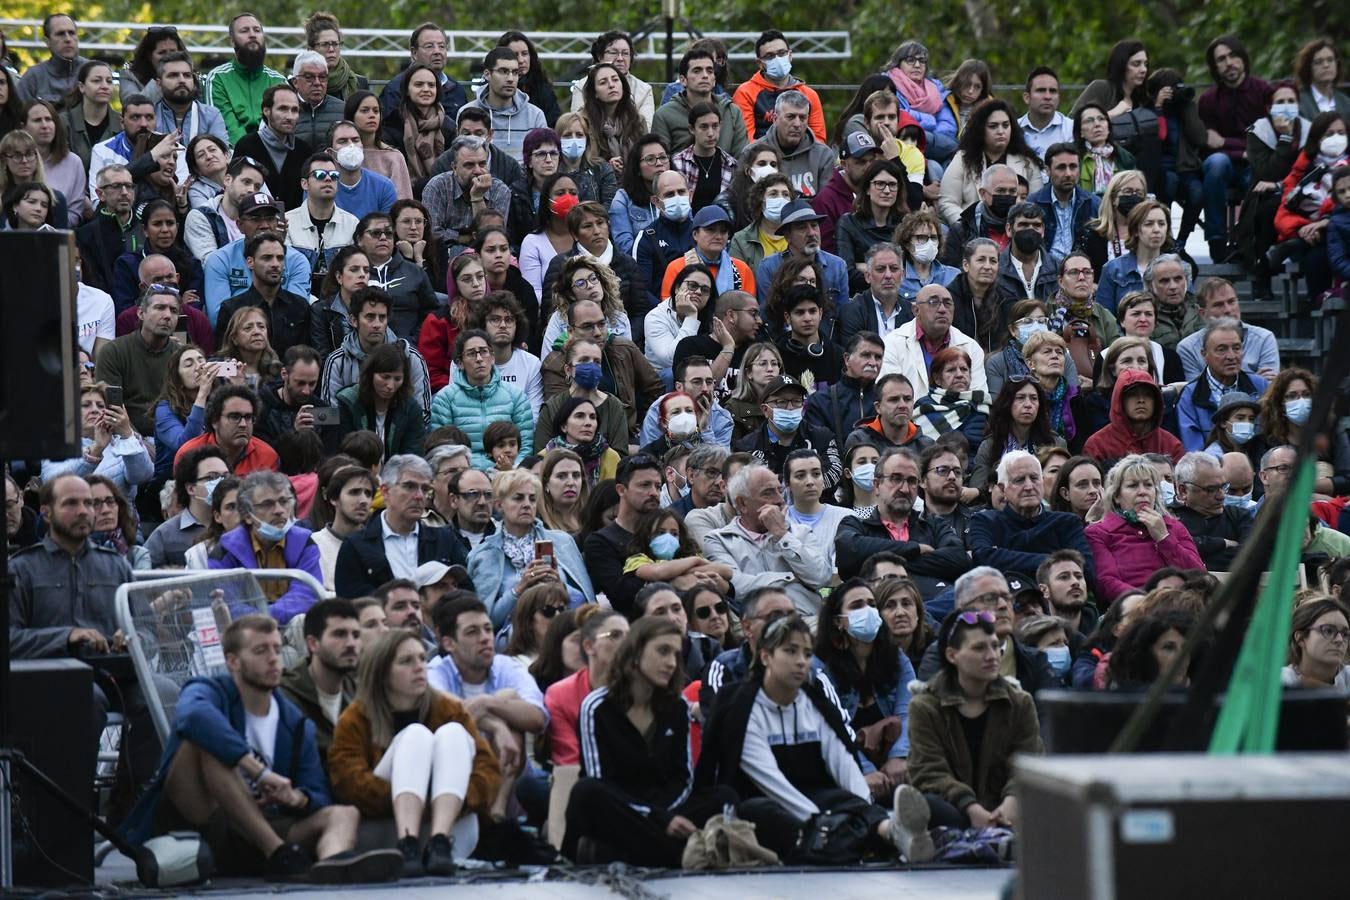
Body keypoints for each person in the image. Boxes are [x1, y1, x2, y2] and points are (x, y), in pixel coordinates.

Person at [695, 613, 915, 862]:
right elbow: (771, 781)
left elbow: (843, 764)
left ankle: (889, 830)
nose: (801, 662)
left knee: (845, 799)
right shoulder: (743, 705)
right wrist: (823, 822)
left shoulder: (815, 703)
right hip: (767, 800)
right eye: (790, 651)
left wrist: (864, 808)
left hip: (817, 797)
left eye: (807, 654)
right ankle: (868, 840)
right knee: (761, 813)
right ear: (766, 656)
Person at [325, 625, 502, 876]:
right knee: (416, 736)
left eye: (421, 658)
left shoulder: (449, 709)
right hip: (382, 830)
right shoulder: (356, 717)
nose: (419, 666)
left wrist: (444, 801)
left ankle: (439, 843)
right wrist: (415, 801)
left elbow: (488, 772)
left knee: (452, 733)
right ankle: (406, 842)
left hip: (449, 829)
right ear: (382, 672)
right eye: (406, 661)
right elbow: (349, 784)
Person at [565, 617, 737, 865]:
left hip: (665, 808)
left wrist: (664, 815)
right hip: (621, 809)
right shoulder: (597, 706)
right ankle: (677, 853)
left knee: (724, 796)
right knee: (587, 792)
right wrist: (660, 819)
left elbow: (682, 779)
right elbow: (601, 779)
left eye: (676, 655)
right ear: (635, 653)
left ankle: (642, 852)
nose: (670, 663)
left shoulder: (677, 706)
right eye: (663, 651)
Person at [425, 596, 554, 861]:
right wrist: (496, 722)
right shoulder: (435, 671)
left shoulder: (507, 666)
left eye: (487, 629)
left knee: (513, 715)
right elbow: (443, 714)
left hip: (509, 784)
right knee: (500, 711)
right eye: (472, 632)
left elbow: (537, 718)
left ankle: (495, 818)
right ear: (448, 643)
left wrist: (487, 702)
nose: (485, 638)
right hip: (453, 775)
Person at [905, 606, 1043, 832]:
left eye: (995, 646)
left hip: (1007, 808)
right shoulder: (925, 706)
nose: (991, 655)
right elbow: (928, 771)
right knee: (927, 806)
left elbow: (1029, 763)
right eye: (979, 648)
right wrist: (970, 807)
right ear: (952, 655)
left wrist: (1011, 802)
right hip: (955, 810)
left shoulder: (1019, 702)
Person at [835, 445, 970, 597]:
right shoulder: (856, 526)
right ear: (877, 485)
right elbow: (848, 553)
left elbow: (959, 559)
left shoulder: (933, 524)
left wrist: (883, 567)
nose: (905, 489)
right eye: (896, 478)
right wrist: (915, 549)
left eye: (912, 481)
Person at [466, 469, 595, 628]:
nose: (527, 504)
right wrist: (518, 589)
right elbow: (485, 622)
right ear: (499, 505)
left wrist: (560, 586)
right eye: (518, 498)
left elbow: (585, 607)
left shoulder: (562, 542)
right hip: (510, 644)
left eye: (532, 499)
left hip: (560, 634)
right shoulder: (483, 555)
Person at [703, 463, 833, 615]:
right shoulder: (719, 540)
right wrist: (791, 578)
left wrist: (782, 535)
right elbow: (736, 586)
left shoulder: (800, 533)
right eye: (768, 493)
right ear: (742, 503)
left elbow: (821, 578)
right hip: (757, 625)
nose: (780, 500)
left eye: (780, 491)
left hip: (806, 621)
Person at [333, 454, 471, 597]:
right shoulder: (356, 546)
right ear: (385, 491)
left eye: (425, 489)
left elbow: (467, 595)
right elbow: (351, 604)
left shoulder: (445, 540)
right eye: (410, 486)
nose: (419, 496)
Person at [1085, 455, 1205, 601]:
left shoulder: (1173, 526)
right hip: (1133, 609)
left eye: (1148, 485)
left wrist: (1164, 538)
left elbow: (1199, 576)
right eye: (1133, 486)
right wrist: (1148, 601)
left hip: (1182, 606)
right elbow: (1106, 583)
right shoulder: (1098, 532)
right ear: (1116, 496)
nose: (1143, 492)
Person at [207, 470, 322, 621]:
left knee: (300, 621)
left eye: (284, 501)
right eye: (267, 504)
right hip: (246, 632)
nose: (279, 511)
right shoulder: (224, 551)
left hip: (292, 626)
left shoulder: (305, 542)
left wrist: (267, 617)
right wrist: (264, 621)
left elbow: (306, 596)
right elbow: (228, 605)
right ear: (247, 515)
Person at [1197, 35, 1271, 261]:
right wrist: (1243, 150)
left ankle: (1248, 242)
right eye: (1221, 59)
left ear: (1242, 58)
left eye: (1233, 55)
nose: (1228, 62)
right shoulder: (1208, 100)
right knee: (1216, 163)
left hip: (1256, 164)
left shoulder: (1263, 91)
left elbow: (1268, 140)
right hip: (1224, 166)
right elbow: (1207, 146)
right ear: (1214, 66)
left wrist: (1228, 143)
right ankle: (1217, 243)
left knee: (1257, 174)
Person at [968, 450, 1095, 581]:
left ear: (1042, 482)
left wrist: (1003, 557)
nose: (1029, 486)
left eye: (1034, 478)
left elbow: (1087, 569)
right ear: (1002, 488)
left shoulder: (1067, 522)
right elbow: (984, 559)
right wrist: (1059, 562)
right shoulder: (986, 521)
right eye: (1019, 480)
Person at [429, 330, 533, 470]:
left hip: (506, 473)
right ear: (460, 363)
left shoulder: (516, 396)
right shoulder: (445, 399)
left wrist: (510, 470)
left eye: (484, 351)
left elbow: (525, 446)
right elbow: (441, 449)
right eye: (472, 353)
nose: (479, 359)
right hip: (463, 474)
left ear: (492, 357)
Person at [278, 598, 361, 767]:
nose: (351, 643)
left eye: (356, 635)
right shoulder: (285, 699)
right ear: (313, 644)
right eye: (340, 634)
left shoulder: (361, 694)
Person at [938, 99, 1044, 228]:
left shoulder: (1027, 162)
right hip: (971, 233)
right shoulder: (963, 159)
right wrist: (968, 226)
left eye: (1005, 125)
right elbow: (947, 202)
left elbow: (1036, 205)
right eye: (993, 126)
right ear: (980, 129)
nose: (1001, 131)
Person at [544, 610, 630, 766]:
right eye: (615, 635)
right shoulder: (560, 695)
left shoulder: (645, 687)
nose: (626, 643)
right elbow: (571, 762)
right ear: (589, 646)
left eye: (629, 636)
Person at [1176, 319, 1269, 452]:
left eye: (1236, 348)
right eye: (1222, 349)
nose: (1231, 356)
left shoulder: (1261, 386)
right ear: (1204, 354)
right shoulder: (1190, 395)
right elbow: (1194, 452)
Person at [879, 283, 987, 397]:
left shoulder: (971, 347)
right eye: (933, 302)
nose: (942, 309)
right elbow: (890, 397)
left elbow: (979, 399)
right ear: (916, 310)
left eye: (947, 303)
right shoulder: (892, 343)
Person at [1257, 368, 1350, 497]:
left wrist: (1303, 487)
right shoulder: (1266, 439)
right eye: (1292, 396)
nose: (1301, 400)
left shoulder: (1333, 432)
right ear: (1279, 404)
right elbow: (1261, 487)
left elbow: (1347, 479)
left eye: (1306, 394)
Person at [199, 13, 286, 143]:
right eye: (244, 31)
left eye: (257, 30)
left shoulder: (279, 81)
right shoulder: (218, 78)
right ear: (232, 41)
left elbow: (283, 126)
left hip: (273, 154)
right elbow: (224, 127)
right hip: (233, 156)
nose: (252, 34)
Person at [1175, 278, 1279, 382]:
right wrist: (1255, 381)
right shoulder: (1187, 348)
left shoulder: (1264, 339)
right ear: (1202, 313)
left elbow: (1269, 392)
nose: (1228, 310)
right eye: (1218, 305)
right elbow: (1196, 394)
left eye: (1231, 302)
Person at [733, 30, 827, 143]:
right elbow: (746, 142)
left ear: (790, 55)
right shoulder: (746, 93)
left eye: (782, 53)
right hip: (761, 158)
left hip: (801, 158)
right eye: (770, 56)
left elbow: (819, 141)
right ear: (760, 63)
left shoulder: (809, 95)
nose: (777, 59)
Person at [144, 445, 230, 567]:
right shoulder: (165, 534)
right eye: (211, 477)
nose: (221, 483)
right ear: (190, 488)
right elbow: (145, 579)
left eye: (225, 476)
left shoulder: (238, 526)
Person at [423, 136, 514, 247]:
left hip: (485, 257)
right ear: (454, 168)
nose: (477, 171)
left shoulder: (500, 190)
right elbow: (432, 233)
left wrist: (477, 198)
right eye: (469, 165)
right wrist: (467, 238)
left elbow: (492, 238)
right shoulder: (437, 186)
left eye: (482, 164)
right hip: (444, 253)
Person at [1170, 451, 1254, 571]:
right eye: (1211, 489)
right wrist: (1220, 544)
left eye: (1223, 487)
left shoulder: (1239, 516)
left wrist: (1195, 556)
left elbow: (1252, 556)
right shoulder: (1167, 520)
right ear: (1183, 491)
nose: (1221, 496)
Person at [1083, 369, 1184, 468]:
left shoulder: (1171, 445)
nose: (1141, 400)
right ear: (1119, 400)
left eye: (1148, 395)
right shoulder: (1097, 446)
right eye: (1132, 395)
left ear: (1156, 401)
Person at [379, 23, 469, 125]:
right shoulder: (396, 88)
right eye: (429, 46)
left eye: (442, 46)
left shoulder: (457, 90)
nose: (437, 51)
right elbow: (388, 130)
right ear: (414, 53)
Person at [806, 332, 884, 451]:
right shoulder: (820, 402)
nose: (873, 363)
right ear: (847, 359)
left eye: (878, 357)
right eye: (866, 355)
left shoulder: (888, 399)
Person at [1030, 142, 1101, 261]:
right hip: (1045, 274)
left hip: (1083, 273)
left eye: (1073, 166)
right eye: (1061, 167)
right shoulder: (1033, 203)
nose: (1068, 174)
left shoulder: (1094, 204)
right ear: (1047, 170)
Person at [760, 90, 836, 199]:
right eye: (790, 117)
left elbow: (827, 204)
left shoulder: (823, 155)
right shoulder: (755, 153)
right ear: (775, 119)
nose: (797, 124)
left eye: (802, 118)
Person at [835, 160, 908, 273]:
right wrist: (891, 270)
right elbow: (846, 273)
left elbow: (910, 271)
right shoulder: (848, 223)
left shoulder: (904, 224)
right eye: (880, 184)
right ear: (867, 188)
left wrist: (865, 267)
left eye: (892, 185)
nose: (887, 191)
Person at [912, 347, 990, 451]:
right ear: (937, 379)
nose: (959, 375)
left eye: (964, 369)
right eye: (951, 370)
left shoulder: (980, 405)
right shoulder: (923, 406)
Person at [769, 281, 843, 388]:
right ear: (787, 317)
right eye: (800, 312)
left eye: (812, 311)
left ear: (820, 314)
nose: (807, 318)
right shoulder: (774, 356)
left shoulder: (838, 356)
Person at [1282, 598, 1350, 689]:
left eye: (1345, 634)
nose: (1340, 640)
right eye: (1328, 630)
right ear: (1300, 638)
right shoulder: (1278, 684)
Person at [1018, 67, 1075, 159]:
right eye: (1041, 90)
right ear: (1027, 98)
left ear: (1059, 97)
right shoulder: (1013, 129)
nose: (1048, 96)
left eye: (1053, 91)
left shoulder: (1072, 129)